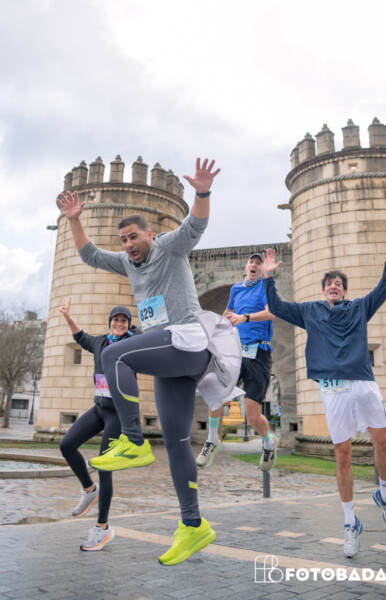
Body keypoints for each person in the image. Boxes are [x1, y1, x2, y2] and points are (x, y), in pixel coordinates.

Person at [57, 158, 240, 566]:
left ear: (150, 235)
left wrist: (203, 191)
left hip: (188, 340)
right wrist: (74, 219)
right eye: (123, 239)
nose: (128, 244)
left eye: (134, 237)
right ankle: (193, 526)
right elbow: (90, 256)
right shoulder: (125, 262)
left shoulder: (170, 247)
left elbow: (196, 224)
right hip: (171, 361)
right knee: (177, 443)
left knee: (113, 352)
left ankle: (134, 440)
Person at [262, 231, 386, 559]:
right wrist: (269, 277)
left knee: (383, 442)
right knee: (342, 454)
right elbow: (276, 306)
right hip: (333, 388)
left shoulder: (360, 307)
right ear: (323, 290)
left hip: (363, 382)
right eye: (329, 283)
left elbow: (383, 289)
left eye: (339, 283)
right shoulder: (309, 311)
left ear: (344, 291)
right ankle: (349, 523)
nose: (334, 286)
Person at [58, 298, 140, 551]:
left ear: (128, 324)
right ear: (110, 322)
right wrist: (68, 317)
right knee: (66, 445)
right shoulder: (100, 342)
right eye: (116, 320)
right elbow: (80, 337)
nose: (119, 324)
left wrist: (136, 331)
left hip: (118, 415)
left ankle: (102, 528)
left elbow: (146, 340)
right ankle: (89, 489)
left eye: (124, 321)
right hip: (99, 409)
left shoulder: (132, 344)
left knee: (104, 467)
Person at [196, 252, 277, 471]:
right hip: (235, 351)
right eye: (251, 262)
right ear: (246, 266)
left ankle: (268, 442)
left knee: (252, 415)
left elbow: (271, 313)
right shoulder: (236, 289)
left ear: (262, 269)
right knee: (214, 391)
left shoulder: (266, 286)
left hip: (259, 353)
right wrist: (219, 324)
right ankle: (212, 440)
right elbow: (228, 312)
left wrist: (245, 318)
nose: (254, 265)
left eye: (258, 263)